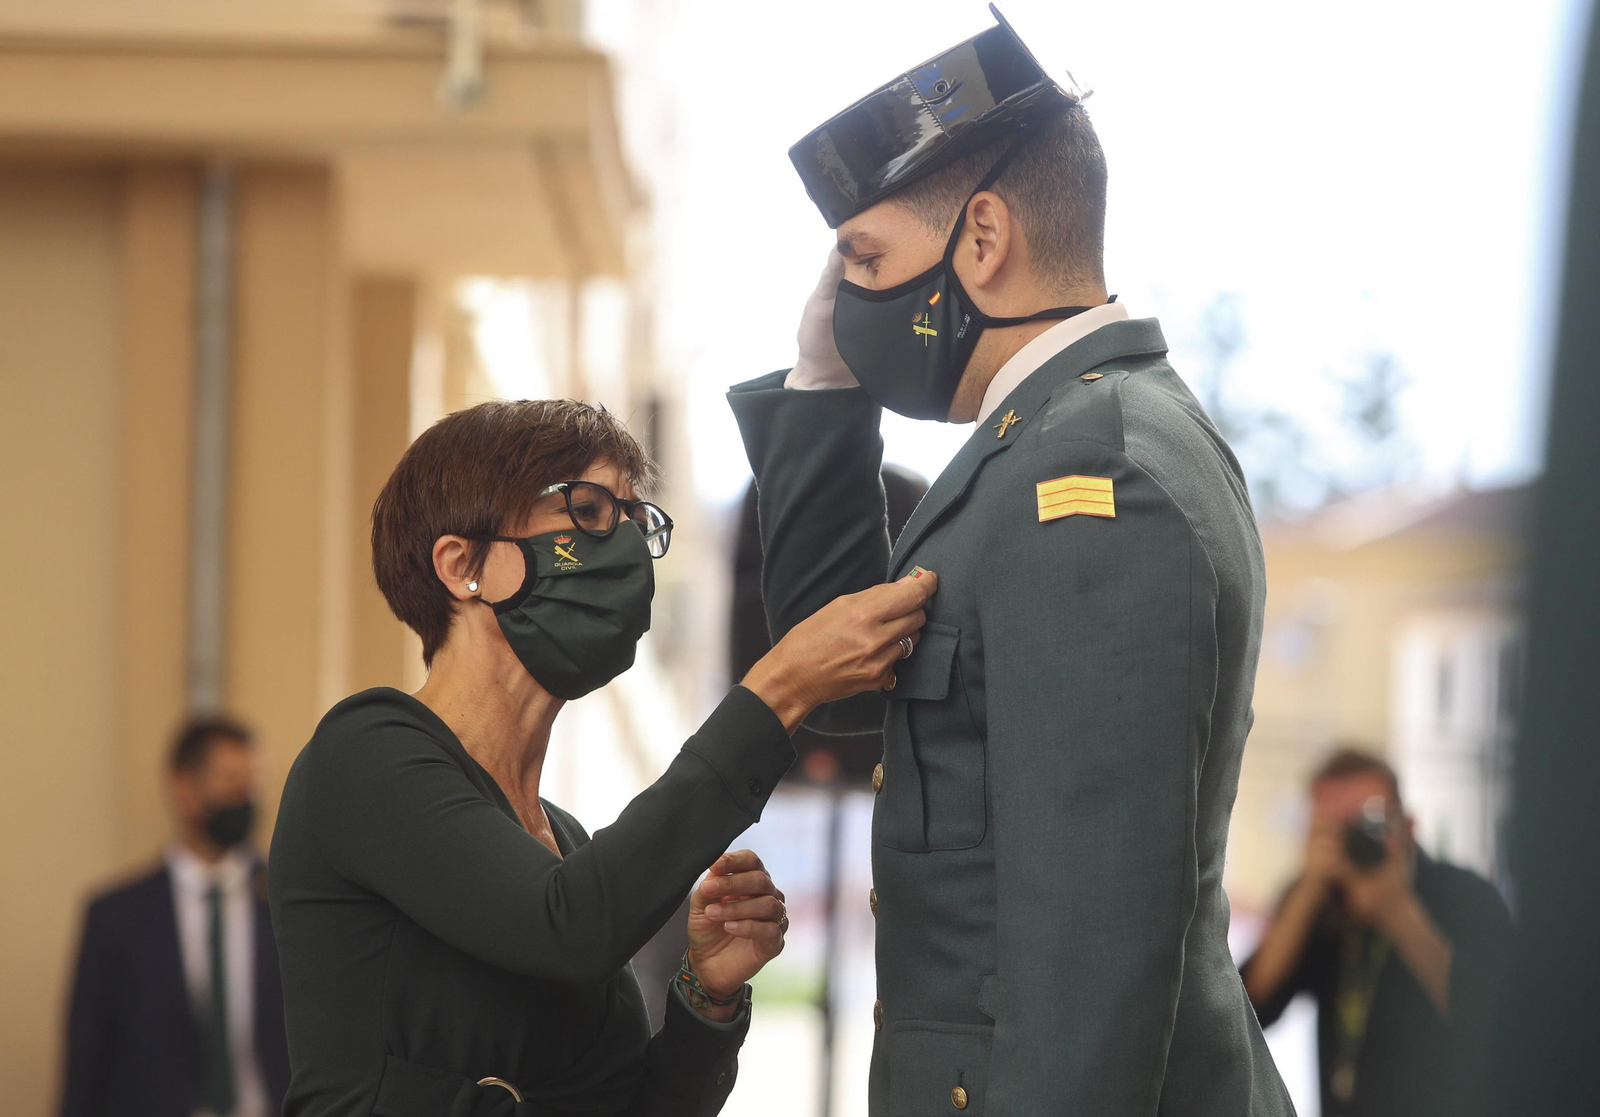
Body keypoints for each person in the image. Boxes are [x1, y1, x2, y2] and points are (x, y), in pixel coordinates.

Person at [727, 10, 1293, 1115]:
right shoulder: (1042, 446)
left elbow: (1089, 960)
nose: (851, 299)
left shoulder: (1092, 478)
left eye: (865, 260)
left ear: (980, 240)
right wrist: (822, 383)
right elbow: (840, 681)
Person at [268, 399, 934, 1117]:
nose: (621, 545)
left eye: (634, 520)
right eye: (586, 511)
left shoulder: (565, 844)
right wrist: (780, 687)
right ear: (461, 564)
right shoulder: (366, 753)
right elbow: (568, 925)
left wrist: (706, 993)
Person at [1242, 748, 1514, 1117]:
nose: (1351, 843)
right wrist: (1307, 890)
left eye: (1366, 825)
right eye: (1333, 829)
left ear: (1409, 828)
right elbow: (1251, 1007)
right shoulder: (1321, 902)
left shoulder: (1463, 895)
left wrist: (1398, 912)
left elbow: (1496, 1020)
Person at [61, 717, 289, 1117]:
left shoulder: (288, 902)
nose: (246, 794)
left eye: (254, 780)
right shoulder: (116, 918)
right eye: (230, 779)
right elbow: (86, 1060)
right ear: (184, 788)